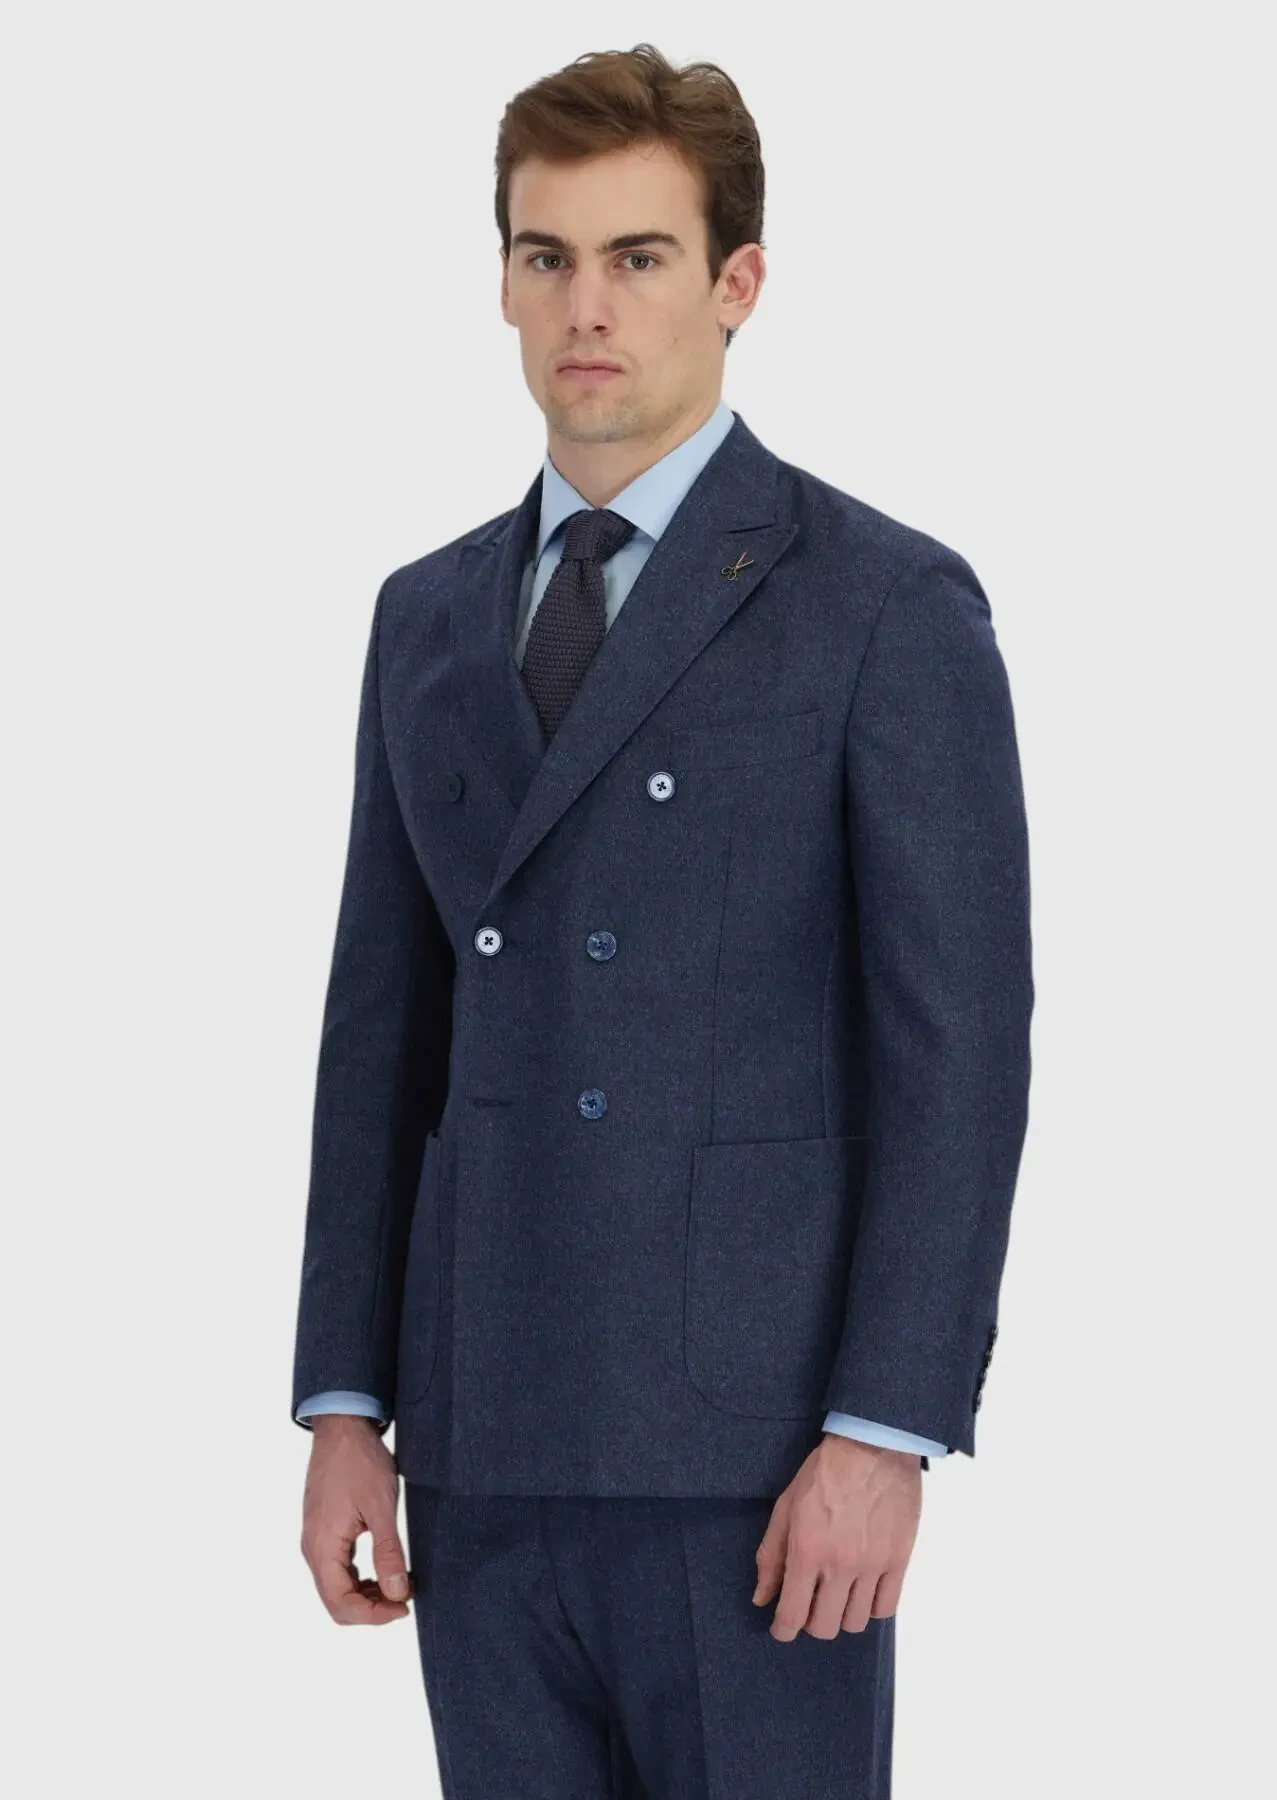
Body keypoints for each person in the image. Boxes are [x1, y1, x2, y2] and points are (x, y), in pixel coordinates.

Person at [292, 40, 1033, 1800]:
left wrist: (885, 1430)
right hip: (482, 1442)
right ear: (501, 282)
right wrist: (345, 1405)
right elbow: (379, 1038)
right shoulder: (425, 618)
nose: (587, 307)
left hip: (757, 1463)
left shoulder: (884, 603)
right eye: (546, 256)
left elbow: (958, 1056)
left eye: (638, 256)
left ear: (737, 282)